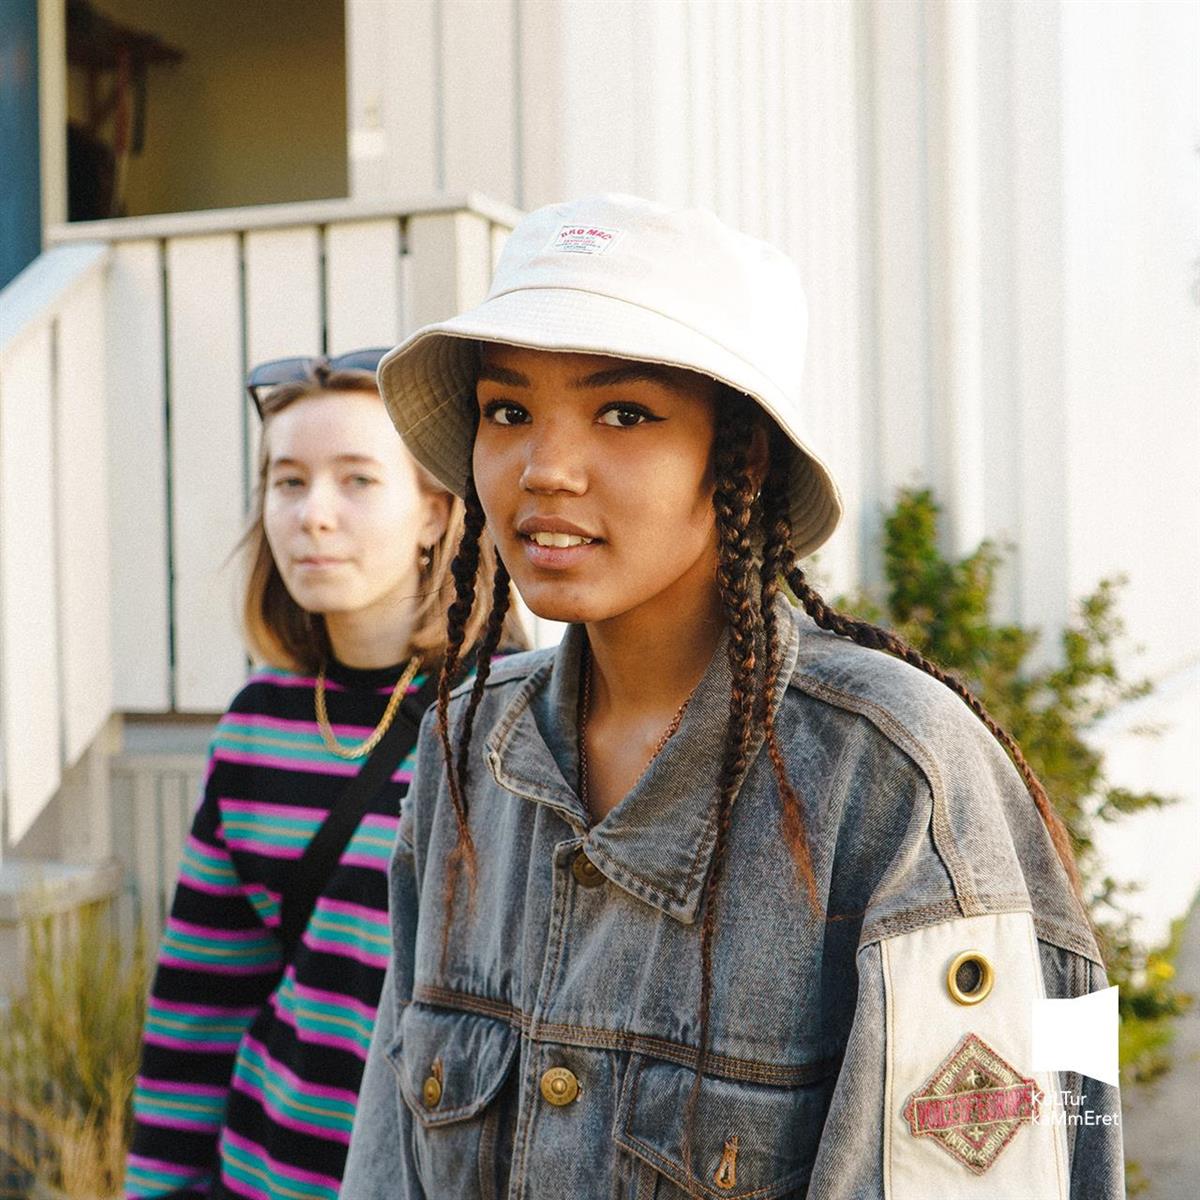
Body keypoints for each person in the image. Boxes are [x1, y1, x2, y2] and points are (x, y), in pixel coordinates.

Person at [342, 196, 1124, 1199]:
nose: (545, 468)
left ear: (741, 456)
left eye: (624, 413)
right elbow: (387, 1154)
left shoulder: (899, 780)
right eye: (508, 410)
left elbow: (1018, 1158)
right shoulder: (467, 748)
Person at [125, 351, 524, 1200]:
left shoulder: (508, 722)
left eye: (357, 480)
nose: (313, 514)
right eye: (288, 481)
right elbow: (201, 1002)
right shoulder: (257, 725)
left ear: (434, 515)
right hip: (261, 1171)